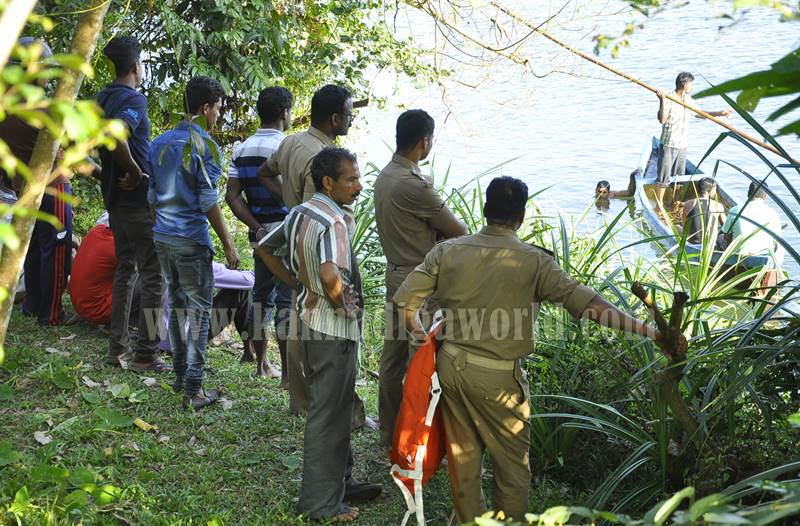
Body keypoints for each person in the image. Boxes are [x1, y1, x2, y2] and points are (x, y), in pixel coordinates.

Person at [393, 176, 670, 523]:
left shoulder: (448, 251)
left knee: (463, 460)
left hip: (450, 367)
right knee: (512, 469)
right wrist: (650, 331)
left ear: (485, 211)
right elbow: (590, 306)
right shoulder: (534, 261)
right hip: (497, 377)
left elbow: (406, 300)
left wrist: (419, 333)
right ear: (520, 217)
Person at [257, 147, 381, 523]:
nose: (358, 186)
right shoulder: (334, 222)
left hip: (307, 320)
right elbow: (330, 275)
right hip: (331, 330)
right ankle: (320, 504)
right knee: (328, 415)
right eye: (351, 180)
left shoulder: (301, 211)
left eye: (358, 178)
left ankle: (341, 481)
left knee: (336, 407)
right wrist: (343, 303)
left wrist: (296, 283)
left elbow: (264, 247)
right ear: (329, 182)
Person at [255, 84, 368, 423]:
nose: (351, 119)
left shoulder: (291, 142)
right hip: (324, 247)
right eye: (349, 113)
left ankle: (301, 399)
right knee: (340, 329)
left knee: (297, 315)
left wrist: (290, 208)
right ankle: (347, 411)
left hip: (296, 240)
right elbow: (319, 210)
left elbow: (264, 173)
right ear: (335, 118)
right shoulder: (324, 158)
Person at [373, 109, 467, 448]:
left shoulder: (386, 175)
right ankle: (415, 441)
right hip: (419, 283)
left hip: (395, 274)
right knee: (421, 364)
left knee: (393, 358)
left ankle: (389, 432)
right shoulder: (414, 185)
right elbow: (460, 231)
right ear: (424, 142)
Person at [148, 75, 239, 410]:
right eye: (217, 109)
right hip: (191, 239)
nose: (218, 116)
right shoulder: (206, 147)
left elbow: (152, 197)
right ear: (205, 108)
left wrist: (161, 230)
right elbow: (207, 202)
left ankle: (179, 375)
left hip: (164, 237)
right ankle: (194, 389)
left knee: (176, 304)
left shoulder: (159, 142)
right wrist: (229, 244)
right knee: (200, 314)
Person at [96, 36, 167, 372]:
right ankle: (146, 354)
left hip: (115, 201)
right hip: (137, 202)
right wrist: (136, 171)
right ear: (137, 66)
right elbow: (116, 134)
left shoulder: (102, 97)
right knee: (154, 276)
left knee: (126, 271)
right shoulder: (133, 100)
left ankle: (117, 348)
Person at [225, 87, 293, 382]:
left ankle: (260, 361)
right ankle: (289, 373)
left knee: (261, 297)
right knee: (287, 301)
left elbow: (232, 197)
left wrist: (255, 226)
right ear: (284, 113)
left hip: (261, 235)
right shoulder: (287, 147)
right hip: (287, 232)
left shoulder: (242, 148)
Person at [654, 72, 731, 210]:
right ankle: (659, 206)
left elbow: (700, 114)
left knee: (679, 178)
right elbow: (662, 120)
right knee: (663, 177)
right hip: (668, 144)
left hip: (682, 145)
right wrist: (661, 100)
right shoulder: (669, 98)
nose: (692, 87)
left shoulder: (688, 100)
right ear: (684, 85)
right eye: (691, 84)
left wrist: (720, 113)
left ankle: (675, 204)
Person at [719, 180, 783, 259]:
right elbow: (776, 241)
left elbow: (726, 236)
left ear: (748, 193)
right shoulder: (774, 214)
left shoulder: (735, 210)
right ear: (766, 196)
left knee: (720, 237)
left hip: (739, 254)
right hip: (764, 255)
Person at [681, 177, 725, 245]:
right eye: (715, 189)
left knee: (678, 227)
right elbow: (725, 226)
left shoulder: (687, 204)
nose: (715, 192)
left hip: (692, 241)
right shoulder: (718, 206)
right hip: (709, 243)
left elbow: (684, 226)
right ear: (709, 190)